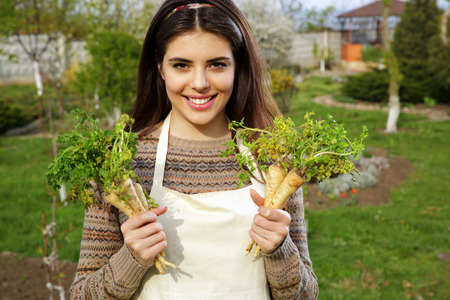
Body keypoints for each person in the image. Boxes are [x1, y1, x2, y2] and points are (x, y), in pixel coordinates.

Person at [70, 0, 318, 299]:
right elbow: (81, 294)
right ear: (160, 68)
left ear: (237, 68)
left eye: (217, 64)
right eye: (181, 65)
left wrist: (279, 250)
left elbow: (306, 295)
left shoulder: (275, 160)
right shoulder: (120, 163)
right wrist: (131, 260)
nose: (199, 83)